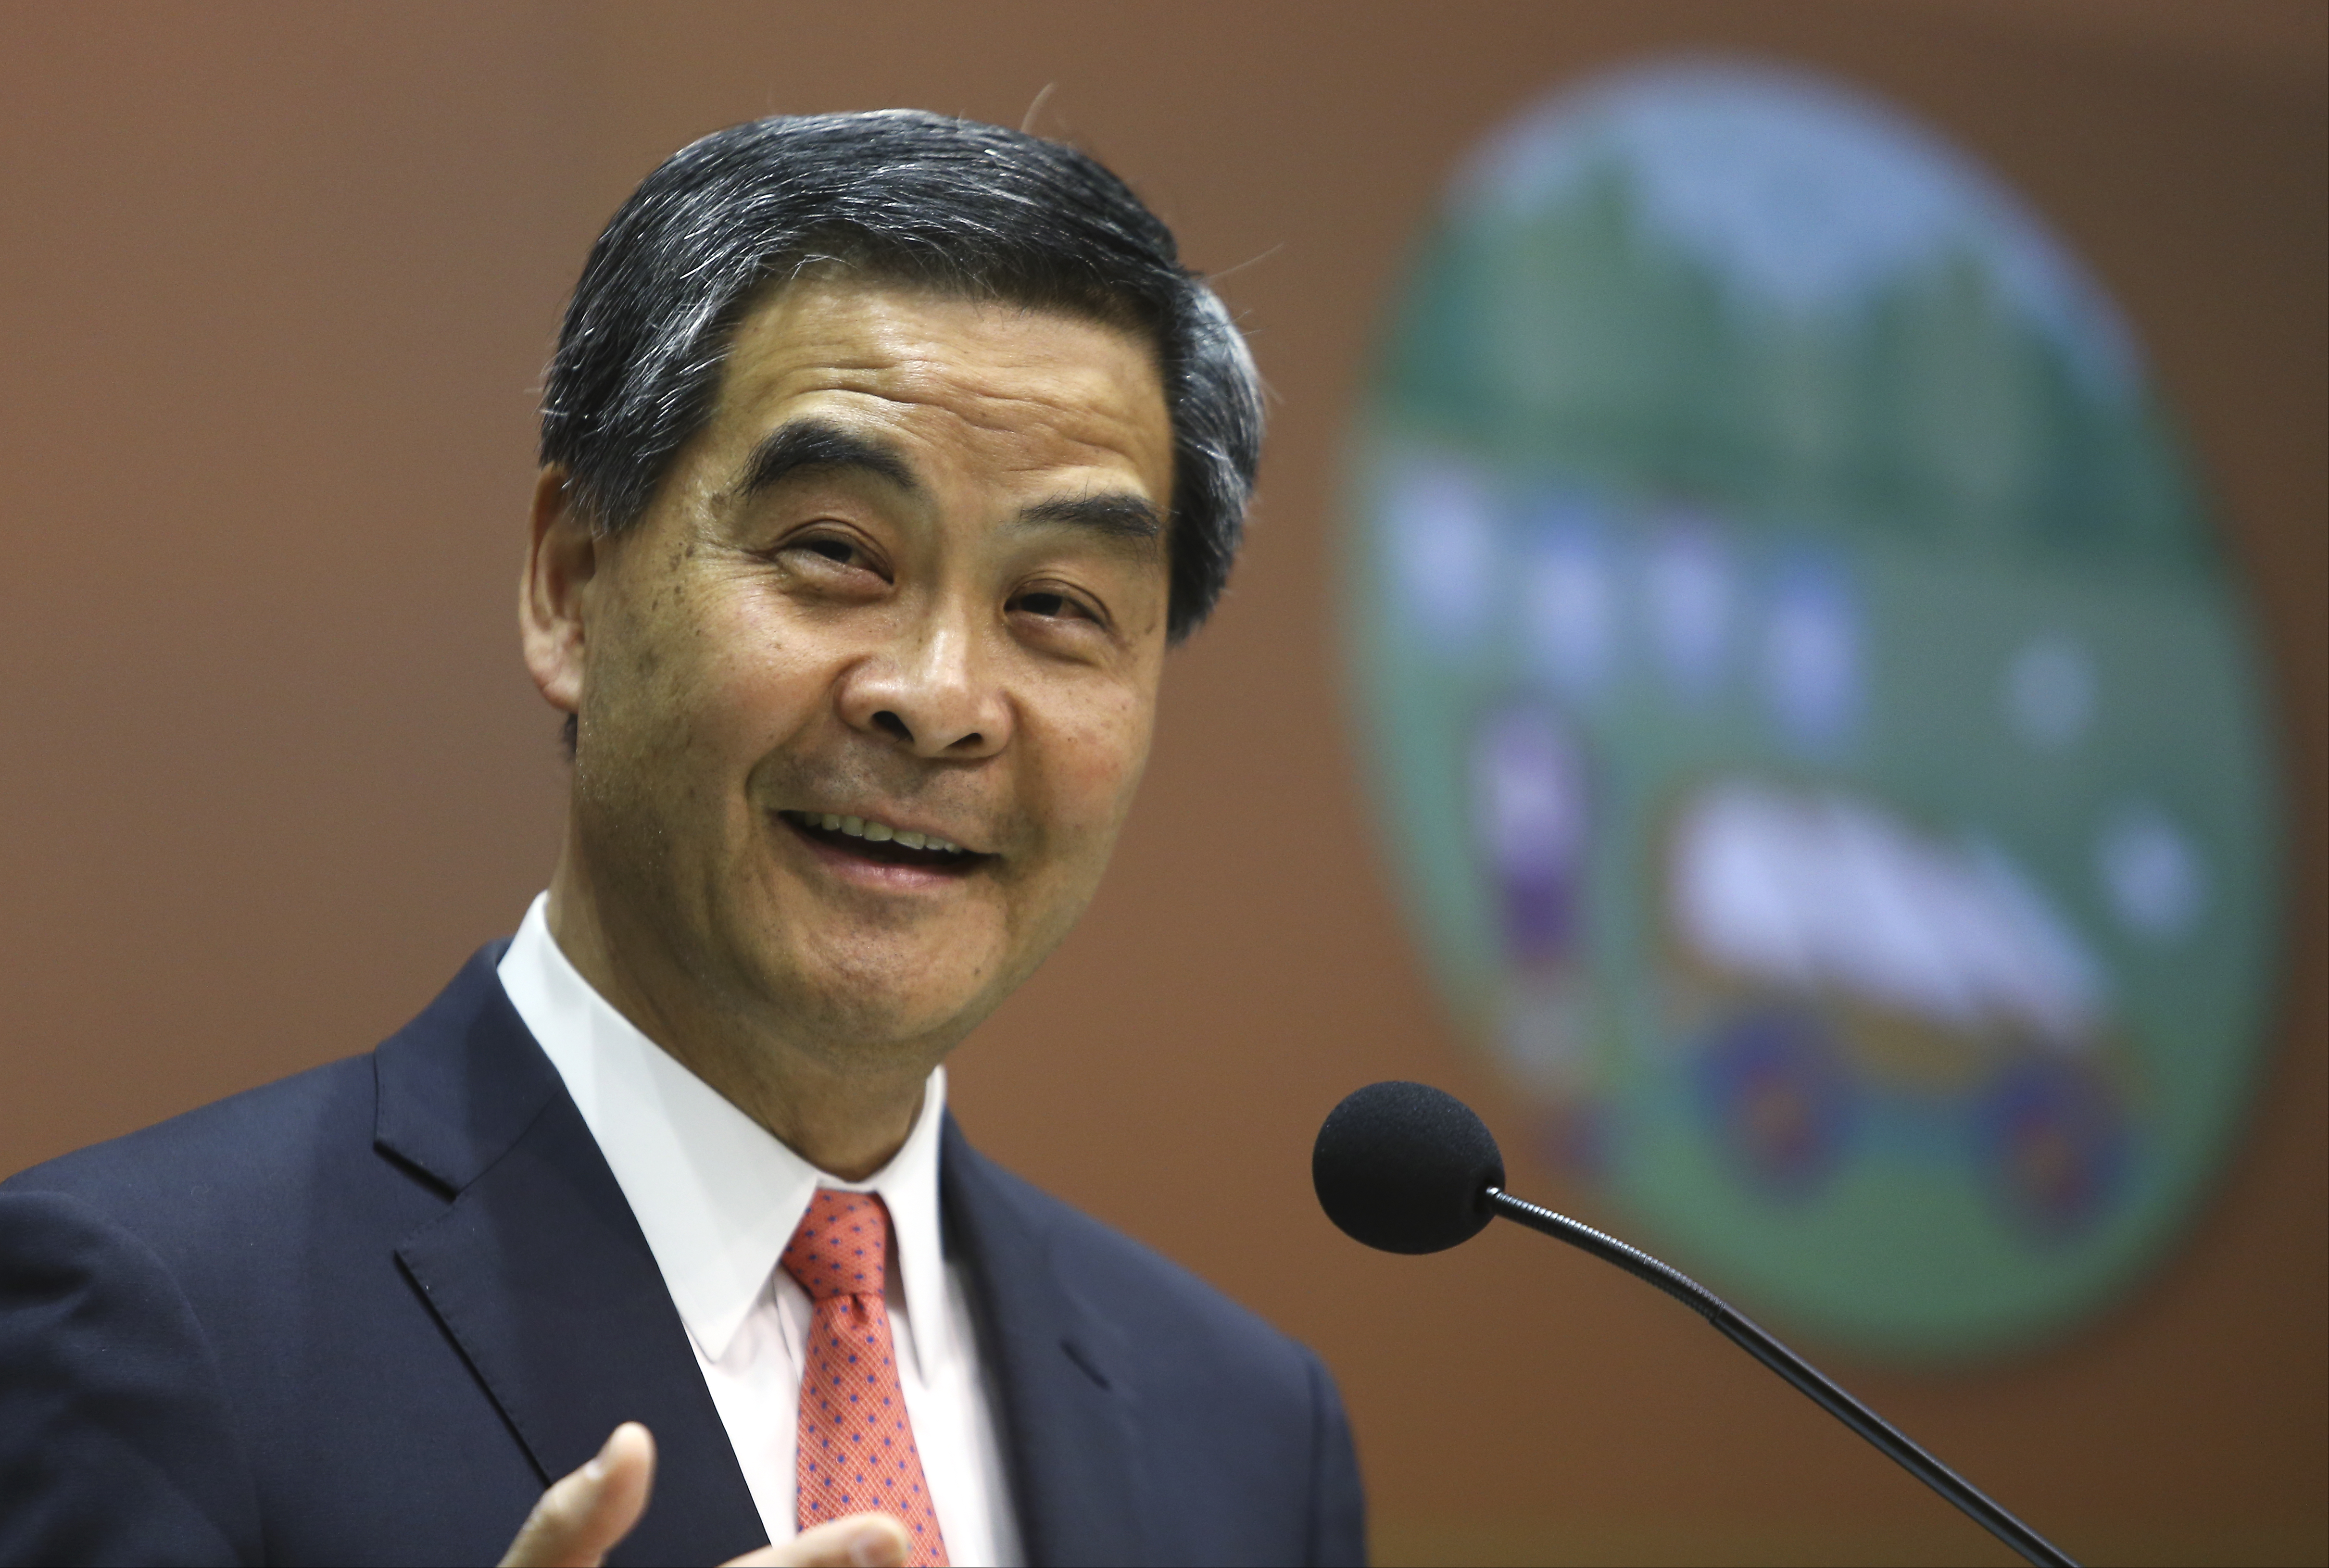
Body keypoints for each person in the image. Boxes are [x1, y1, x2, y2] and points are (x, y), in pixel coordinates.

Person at [0, 112, 1366, 1568]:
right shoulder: (155, 1318)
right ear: (570, 584)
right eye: (836, 553)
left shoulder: (1246, 1433)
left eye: (1057, 606)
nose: (941, 700)